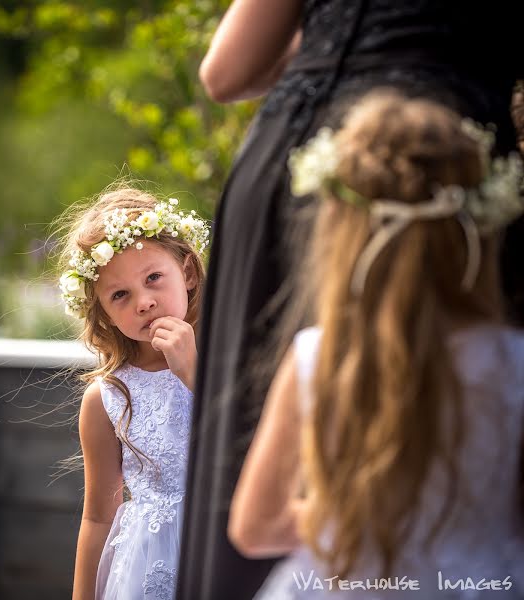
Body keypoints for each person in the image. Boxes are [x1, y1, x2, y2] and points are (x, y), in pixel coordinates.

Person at [179, 2, 524, 599]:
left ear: (334, 234)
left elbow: (226, 72)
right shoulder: (514, 361)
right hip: (469, 132)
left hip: (317, 126)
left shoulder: (313, 359)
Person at [59, 184, 209, 600]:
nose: (144, 302)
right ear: (104, 313)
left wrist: (196, 372)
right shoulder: (108, 397)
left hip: (220, 551)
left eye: (154, 278)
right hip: (146, 568)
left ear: (189, 273)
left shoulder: (235, 360)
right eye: (121, 295)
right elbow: (97, 519)